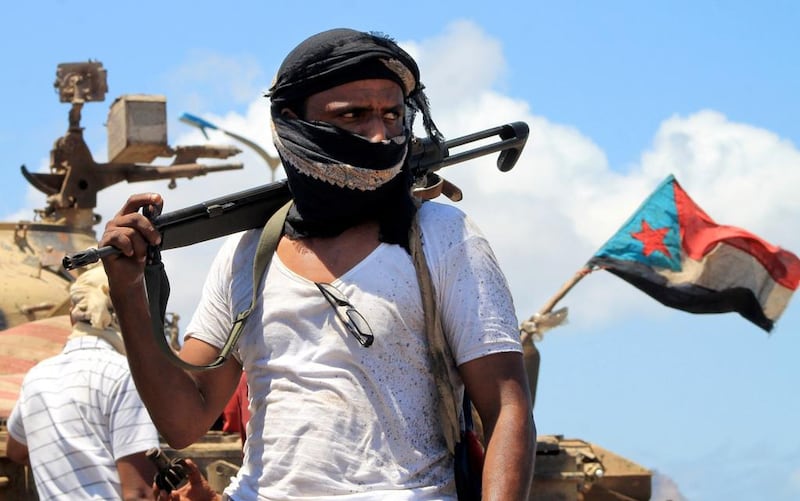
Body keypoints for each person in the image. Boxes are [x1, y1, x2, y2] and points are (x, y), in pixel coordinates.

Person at [100, 28, 536, 500]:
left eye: (392, 115)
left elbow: (507, 408)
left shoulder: (443, 237)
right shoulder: (248, 255)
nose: (379, 134)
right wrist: (127, 291)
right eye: (352, 116)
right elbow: (184, 419)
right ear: (291, 121)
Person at [5, 265, 160, 500]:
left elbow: (15, 451)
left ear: (72, 316)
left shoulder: (36, 378)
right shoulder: (125, 375)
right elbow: (139, 493)